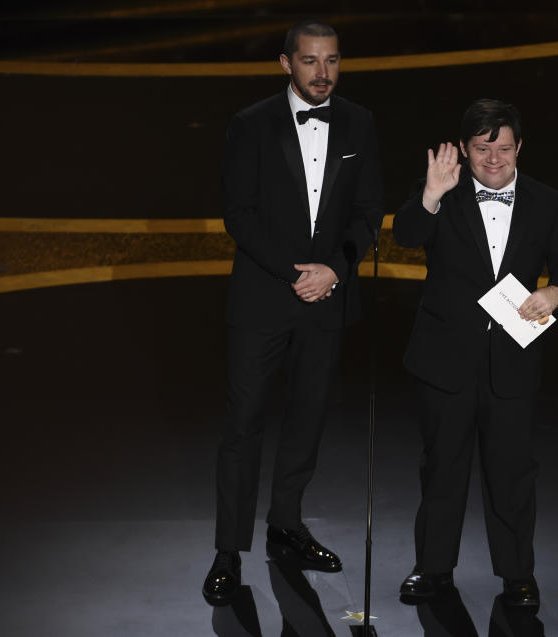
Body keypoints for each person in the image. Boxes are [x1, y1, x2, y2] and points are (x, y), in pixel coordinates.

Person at [202, 19, 384, 606]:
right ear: (287, 64)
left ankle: (286, 526)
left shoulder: (360, 122)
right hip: (263, 300)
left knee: (307, 420)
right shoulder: (249, 125)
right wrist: (295, 273)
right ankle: (228, 552)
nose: (322, 73)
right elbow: (240, 214)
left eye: (332, 61)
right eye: (310, 61)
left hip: (327, 297)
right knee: (243, 426)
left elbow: (367, 213)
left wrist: (335, 268)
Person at [393, 99, 558, 608]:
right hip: (445, 360)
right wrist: (432, 195)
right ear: (464, 149)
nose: (494, 159)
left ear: (519, 147)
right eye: (482, 149)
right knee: (442, 468)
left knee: (512, 471)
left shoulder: (546, 201)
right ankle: (433, 568)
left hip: (512, 361)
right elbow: (407, 236)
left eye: (503, 148)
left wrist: (554, 294)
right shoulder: (441, 194)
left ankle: (518, 575)